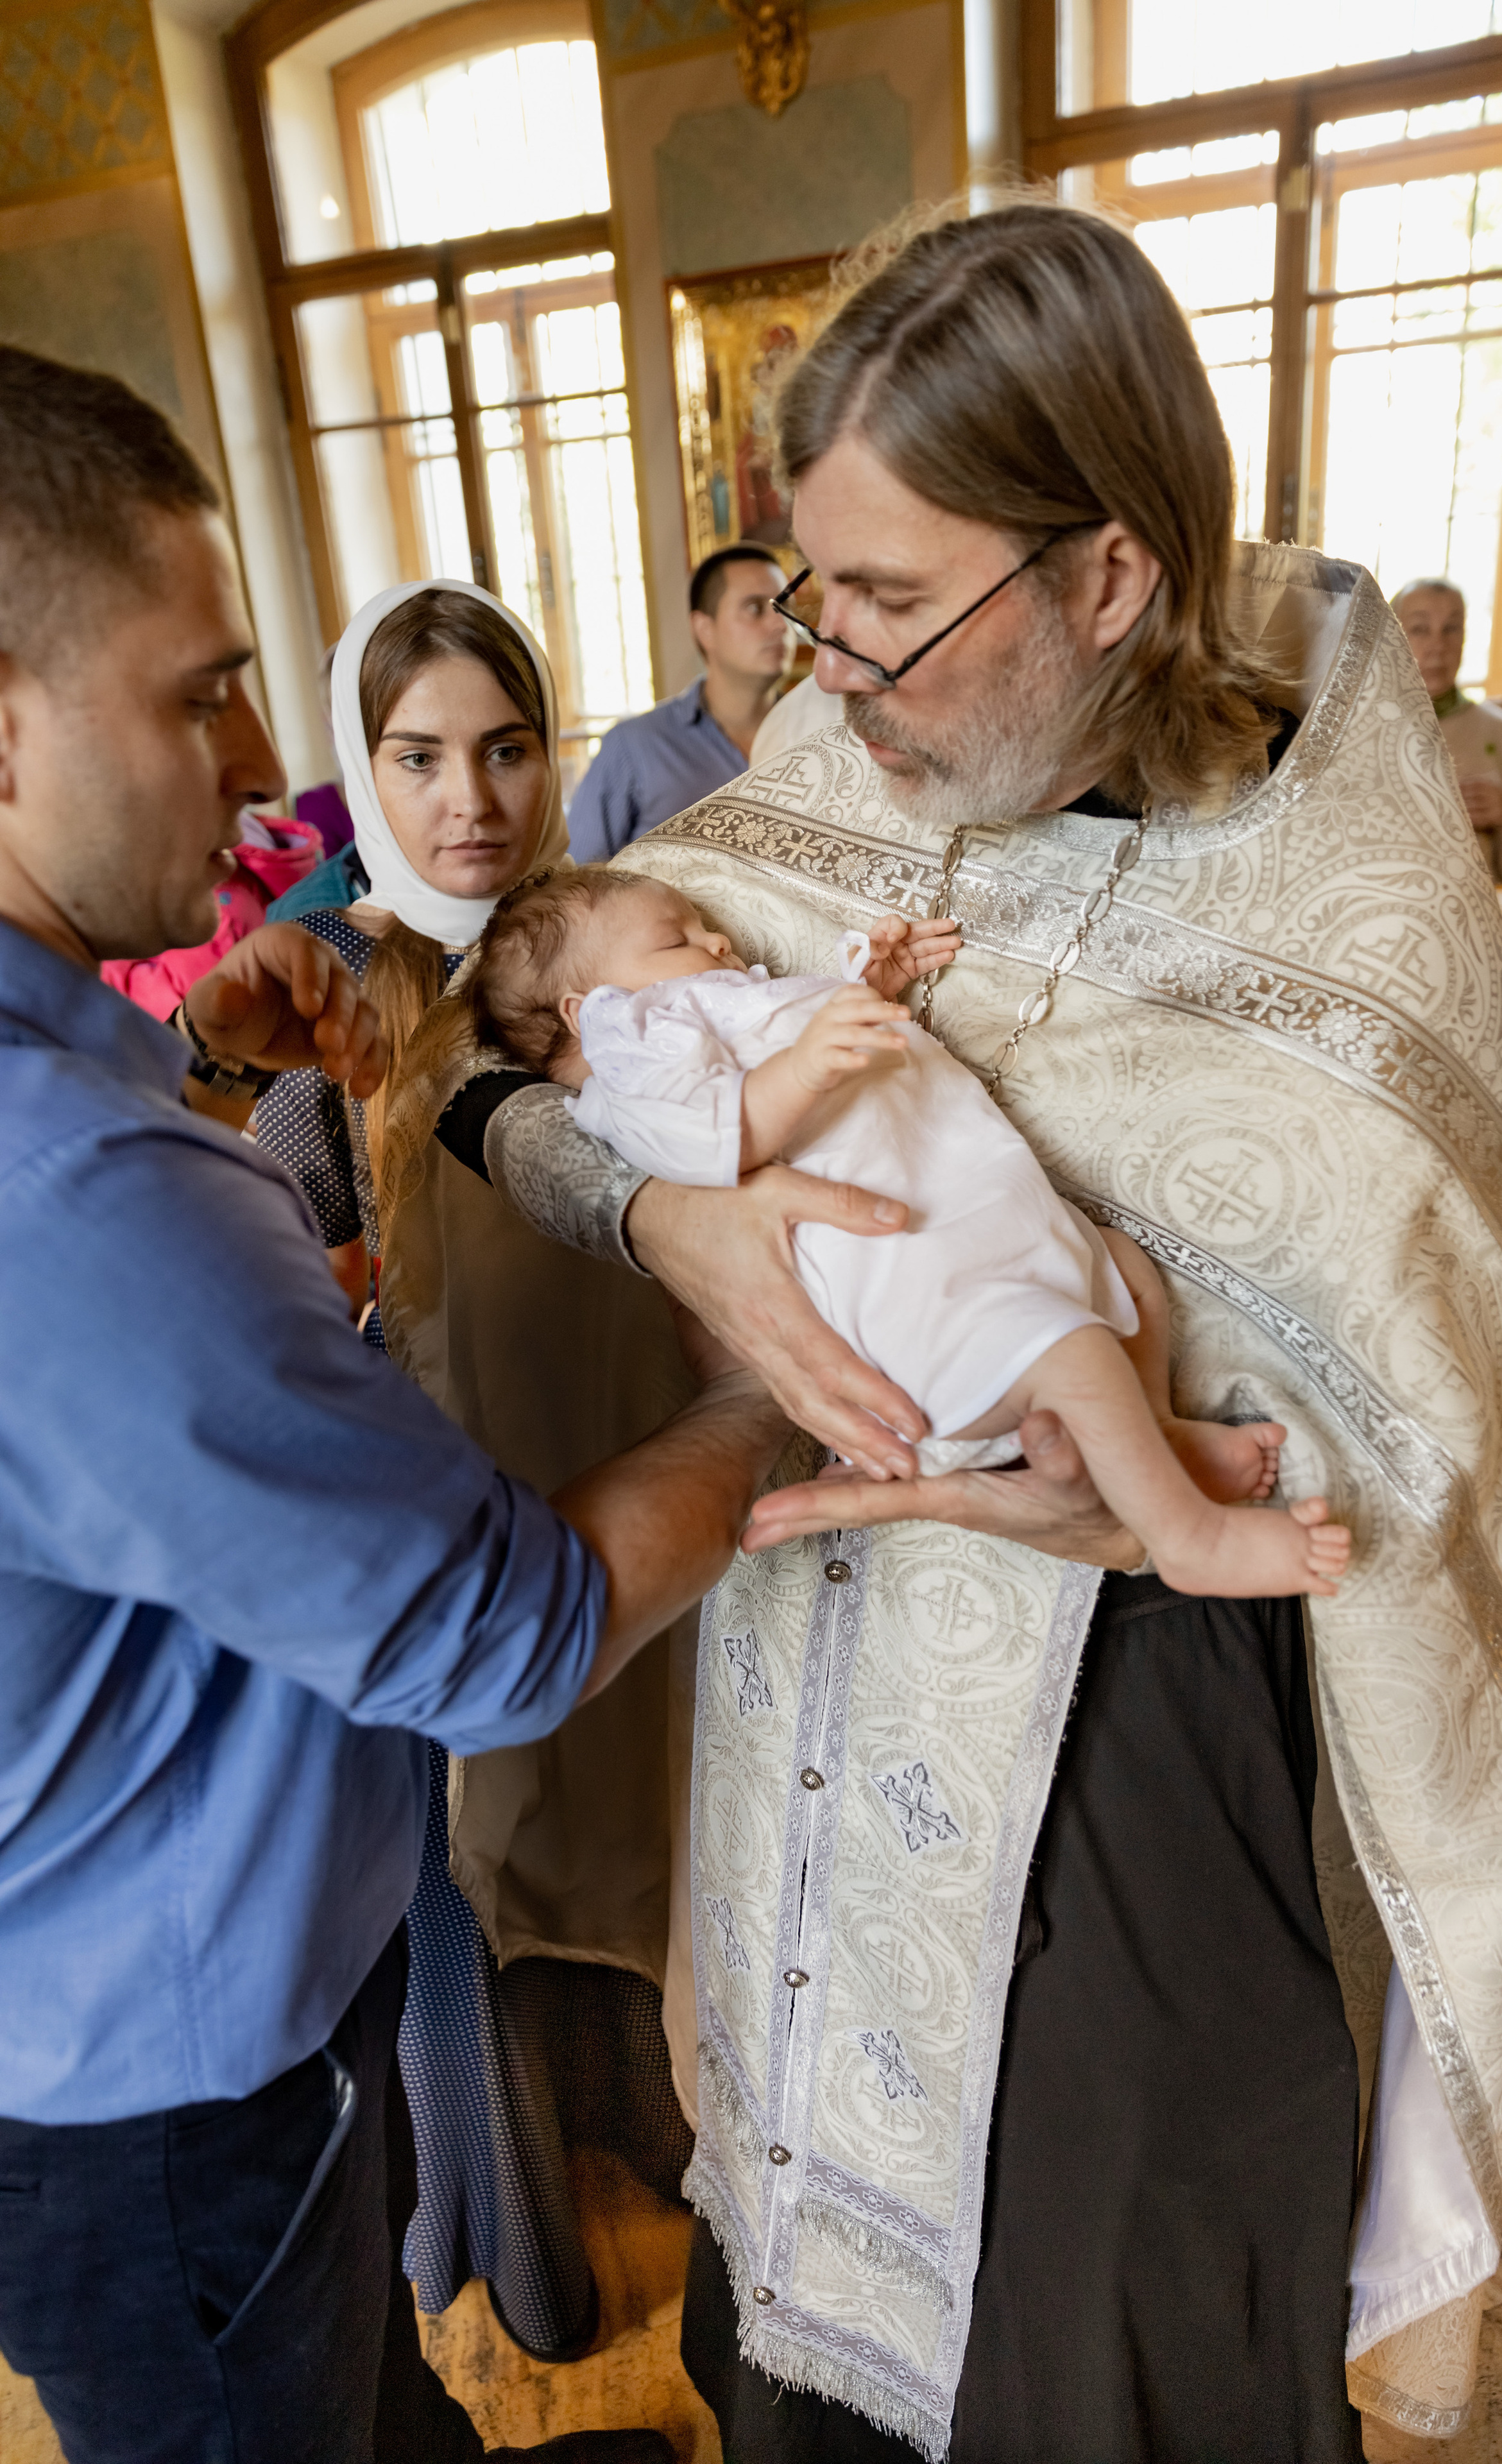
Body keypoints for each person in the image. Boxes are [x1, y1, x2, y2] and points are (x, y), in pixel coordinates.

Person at [412, 199, 1502, 2461]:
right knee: (802, 2340)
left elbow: (1468, 1405)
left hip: (1141, 1786)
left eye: (879, 608)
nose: (818, 676)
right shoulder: (818, 813)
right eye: (803, 600)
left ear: (1110, 577)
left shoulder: (1348, 907)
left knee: (1098, 2364)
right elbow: (492, 1086)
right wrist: (676, 1220)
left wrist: (1159, 1475)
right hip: (815, 1747)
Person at [0, 344, 800, 2461]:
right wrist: (787, 1377)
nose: (269, 765)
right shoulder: (80, 1192)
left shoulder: (108, 1092)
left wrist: (214, 1083)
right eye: (200, 694)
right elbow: (502, 1634)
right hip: (165, 2088)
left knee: (366, 2400)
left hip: (149, 2000)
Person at [252, 579, 713, 2369]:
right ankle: (521, 2237)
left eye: (510, 746)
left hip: (647, 1501)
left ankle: (675, 2139)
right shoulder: (331, 1003)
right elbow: (274, 1274)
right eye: (420, 756)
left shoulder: (607, 952)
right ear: (360, 773)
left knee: (653, 1842)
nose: (474, 798)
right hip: (467, 1550)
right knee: (490, 1889)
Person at [456, 864, 1351, 1596]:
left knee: (1121, 1273)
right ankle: (1189, 1537)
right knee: (1073, 1348)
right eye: (676, 937)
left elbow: (811, 1057)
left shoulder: (707, 1006)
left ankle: (1152, 1437)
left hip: (977, 1234)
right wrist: (809, 1062)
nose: (717, 940)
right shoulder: (632, 1051)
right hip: (925, 1303)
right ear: (588, 1009)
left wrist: (864, 989)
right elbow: (709, 1134)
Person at [568, 545, 791, 860]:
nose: (781, 625)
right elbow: (580, 878)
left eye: (785, 608)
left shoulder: (821, 733)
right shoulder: (633, 748)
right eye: (755, 609)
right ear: (704, 629)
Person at [1394, 576, 1502, 886]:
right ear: (1391, 637)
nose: (1438, 646)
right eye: (1419, 629)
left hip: (1471, 922)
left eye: (1451, 629)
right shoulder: (1358, 727)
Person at [101, 805, 322, 1020]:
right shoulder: (117, 872)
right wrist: (180, 1007)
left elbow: (296, 904)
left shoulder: (237, 837)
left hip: (283, 1013)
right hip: (193, 1031)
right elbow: (113, 972)